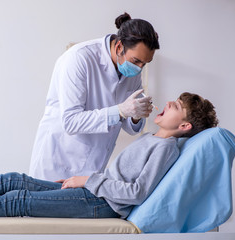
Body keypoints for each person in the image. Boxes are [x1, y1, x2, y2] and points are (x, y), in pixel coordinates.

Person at [0, 92, 218, 219]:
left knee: (16, 199)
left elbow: (138, 192)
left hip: (102, 203)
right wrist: (85, 181)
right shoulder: (151, 138)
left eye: (176, 107)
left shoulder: (166, 148)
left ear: (185, 124)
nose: (167, 104)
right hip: (93, 191)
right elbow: (121, 180)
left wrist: (88, 180)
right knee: (11, 179)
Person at [30, 12, 160, 181]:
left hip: (93, 167)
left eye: (145, 63)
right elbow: (71, 122)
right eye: (136, 61)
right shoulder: (79, 58)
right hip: (60, 160)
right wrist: (120, 111)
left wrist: (135, 116)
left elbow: (128, 126)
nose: (139, 68)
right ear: (119, 47)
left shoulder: (132, 69)